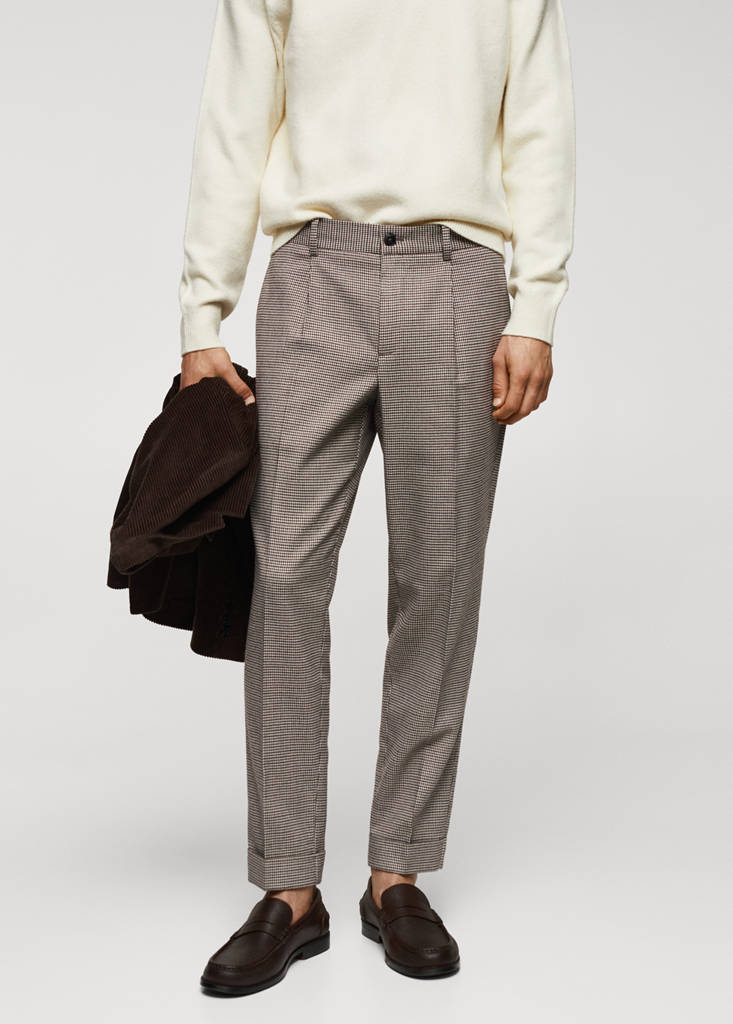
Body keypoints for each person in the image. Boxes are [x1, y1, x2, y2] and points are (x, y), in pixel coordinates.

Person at [177, 0, 575, 996]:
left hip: (459, 272)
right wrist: (201, 310)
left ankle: (397, 874)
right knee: (283, 575)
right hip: (313, 270)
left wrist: (536, 304)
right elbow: (236, 114)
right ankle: (287, 889)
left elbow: (537, 119)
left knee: (438, 577)